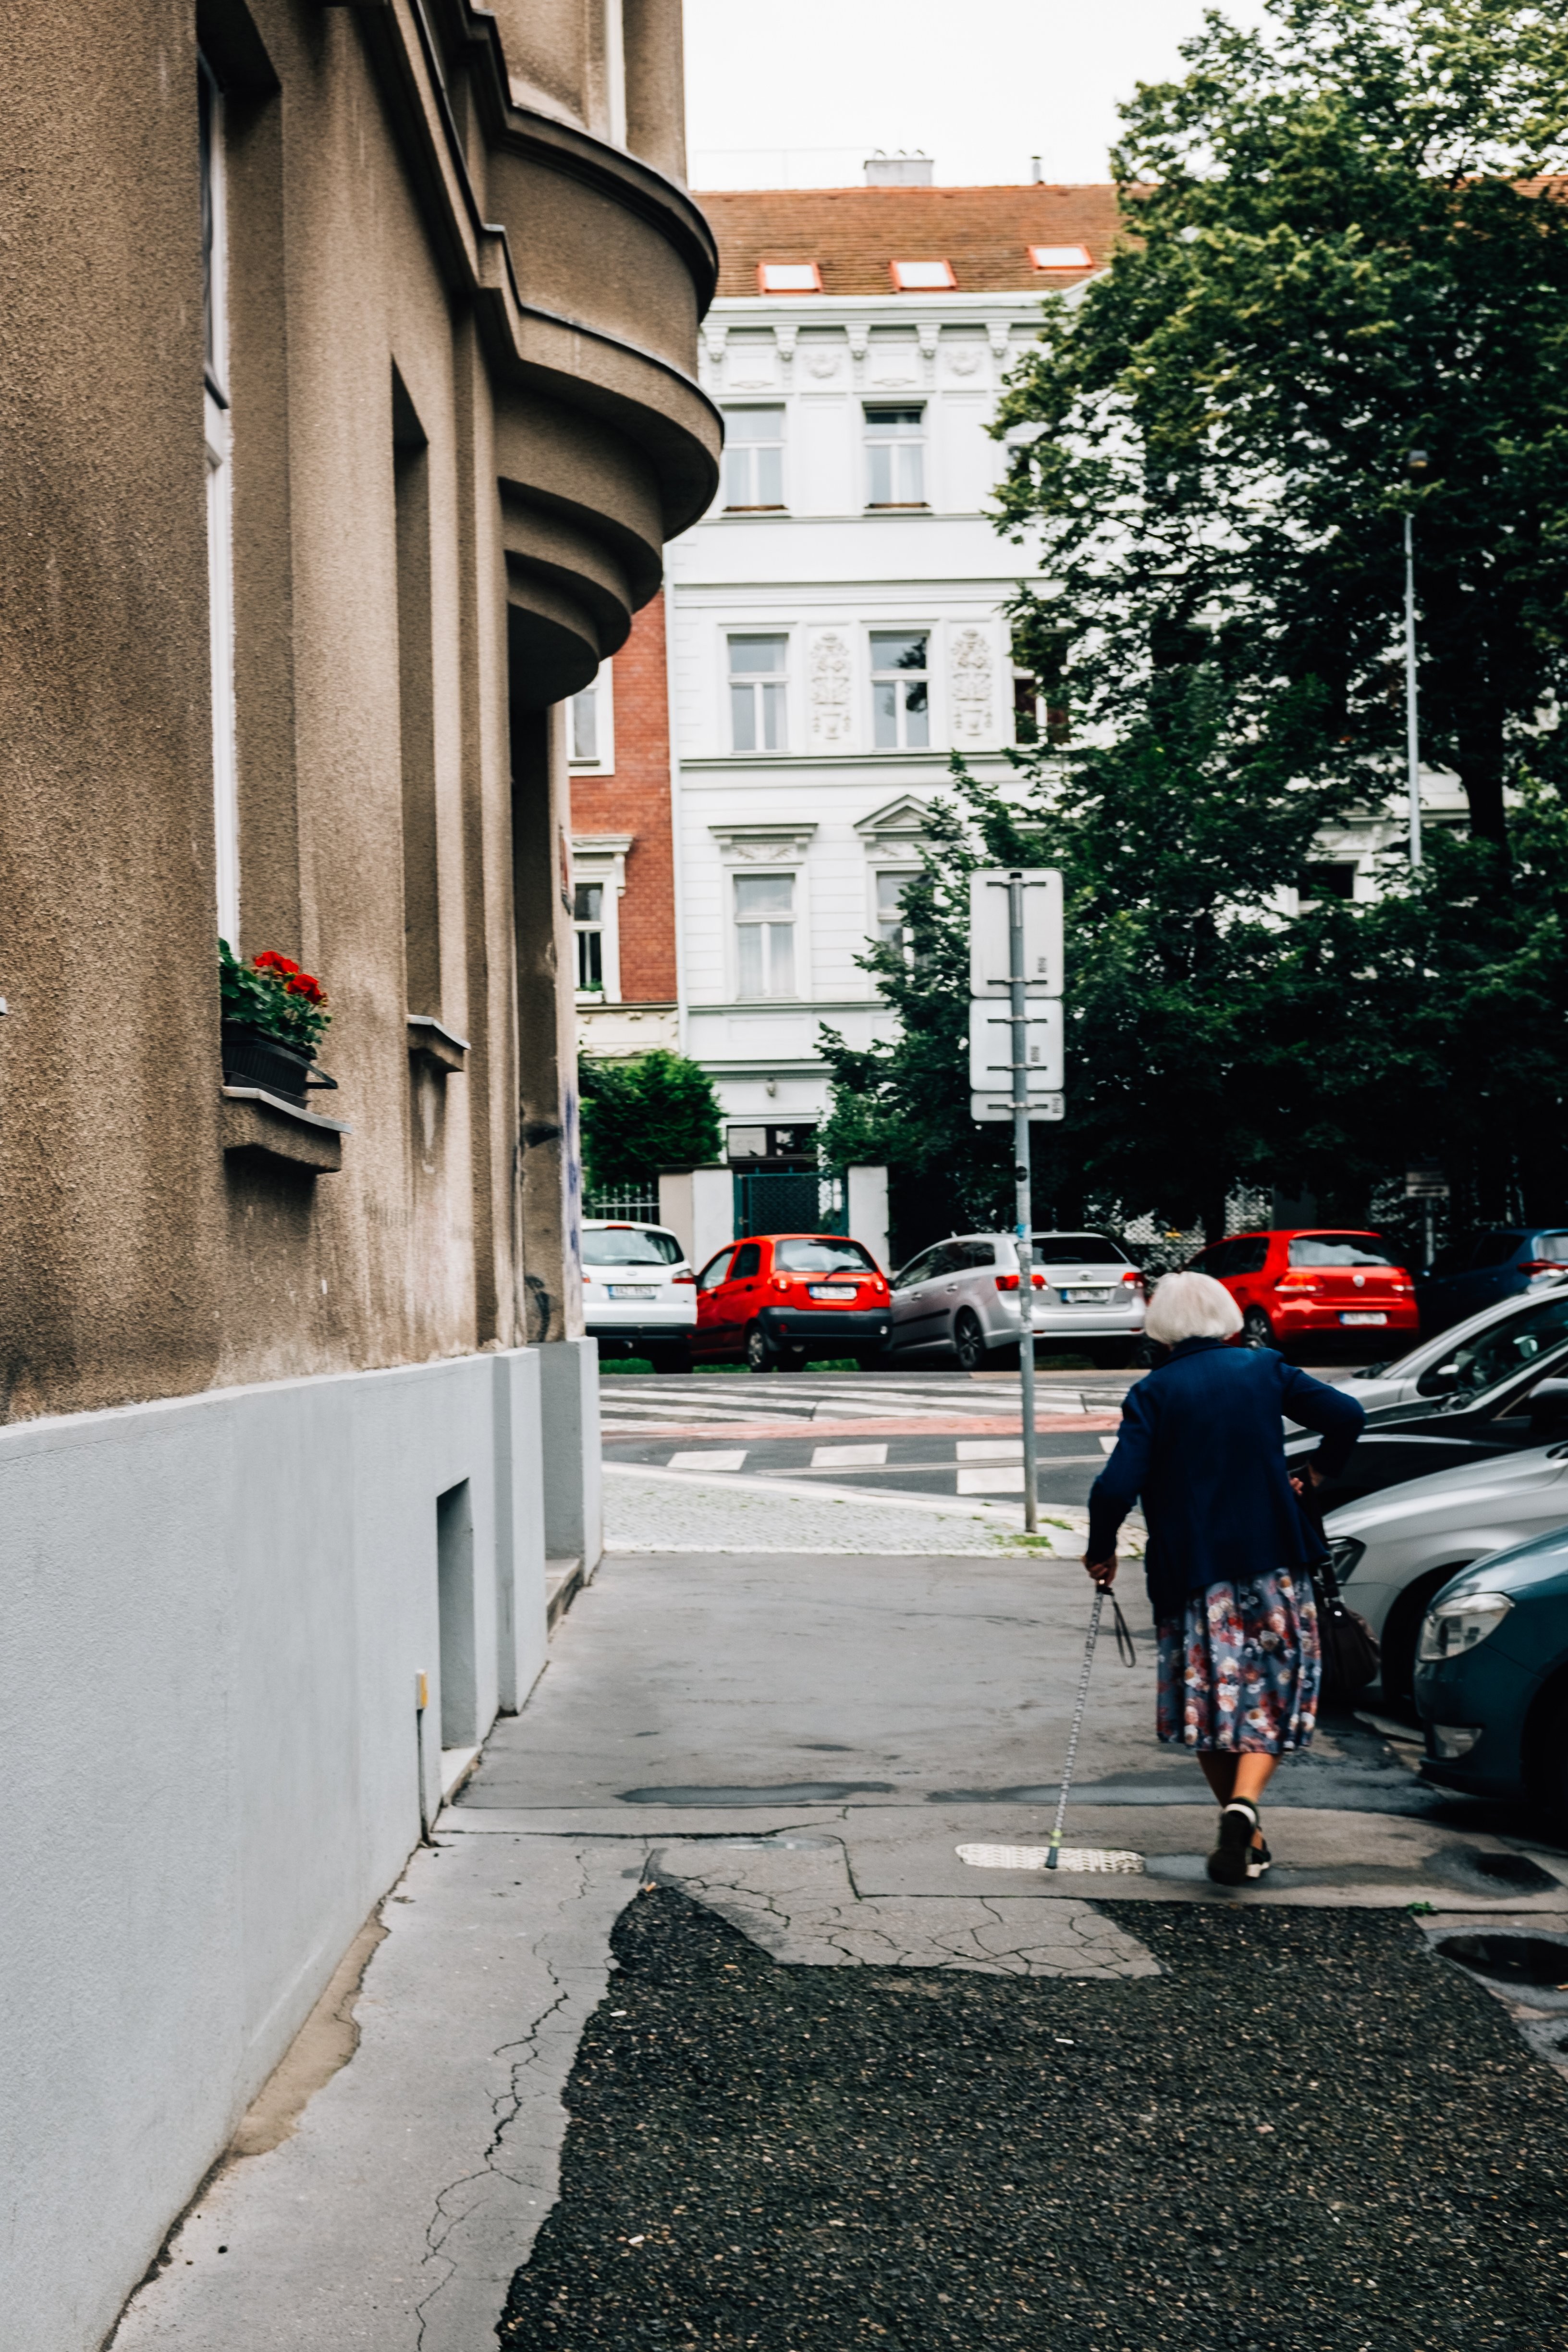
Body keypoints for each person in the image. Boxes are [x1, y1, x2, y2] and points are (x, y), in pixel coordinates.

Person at [1084, 1269, 1365, 1885]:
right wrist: (1315, 1477)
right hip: (1272, 1566)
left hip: (1193, 1577)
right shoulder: (1265, 1370)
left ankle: (1243, 1825)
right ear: (1227, 1317)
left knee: (1210, 1701)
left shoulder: (1154, 1392)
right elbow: (1347, 1414)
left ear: (1161, 1327)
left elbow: (1114, 1488)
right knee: (1269, 1690)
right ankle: (1247, 1813)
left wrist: (1101, 1550)